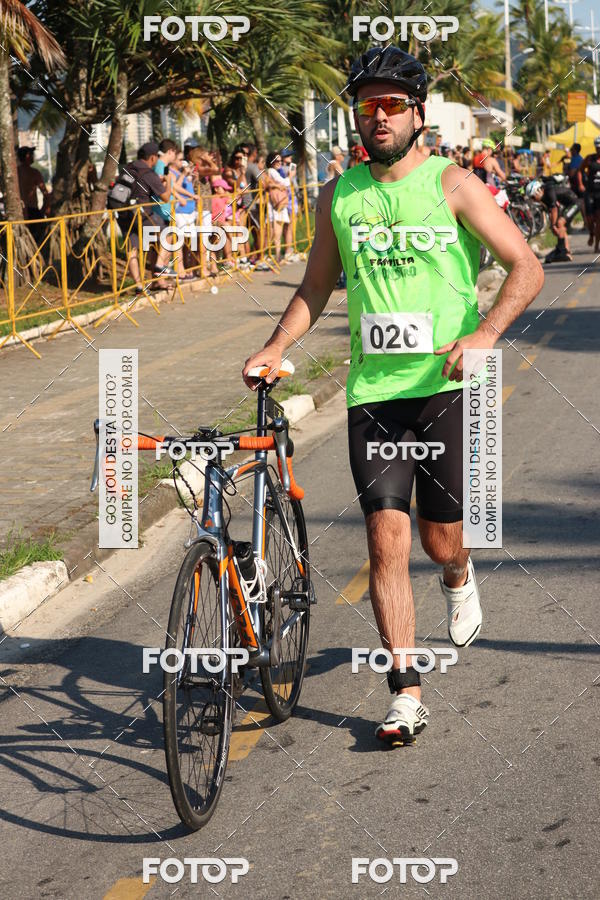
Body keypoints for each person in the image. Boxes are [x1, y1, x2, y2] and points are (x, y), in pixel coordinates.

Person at [242, 46, 544, 746]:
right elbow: (316, 286)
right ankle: (405, 691)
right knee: (386, 540)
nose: (378, 117)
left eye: (392, 105)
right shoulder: (338, 195)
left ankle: (458, 573)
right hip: (373, 394)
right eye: (367, 106)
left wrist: (485, 334)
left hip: (443, 388)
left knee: (440, 540)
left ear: (417, 114)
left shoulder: (455, 185)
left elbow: (525, 266)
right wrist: (275, 345)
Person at [118, 141, 175, 292]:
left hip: (124, 214)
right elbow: (165, 197)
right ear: (152, 158)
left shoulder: (128, 168)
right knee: (168, 233)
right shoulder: (149, 173)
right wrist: (168, 182)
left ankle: (139, 286)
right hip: (142, 214)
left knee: (132, 250)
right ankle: (159, 266)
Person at [525, 177, 577, 262]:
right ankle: (566, 252)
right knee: (559, 226)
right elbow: (551, 212)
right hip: (566, 205)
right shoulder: (543, 198)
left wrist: (553, 225)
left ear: (538, 191)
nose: (533, 200)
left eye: (533, 197)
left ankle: (562, 251)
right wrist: (553, 226)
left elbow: (554, 209)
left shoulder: (549, 191)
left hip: (574, 203)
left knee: (559, 223)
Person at [17, 146, 51, 240]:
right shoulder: (34, 173)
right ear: (27, 156)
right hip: (32, 212)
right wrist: (42, 212)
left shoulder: (15, 172)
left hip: (20, 212)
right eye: (32, 154)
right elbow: (46, 195)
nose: (33, 156)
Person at [263, 151, 291, 264]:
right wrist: (290, 176)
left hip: (278, 204)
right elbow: (285, 183)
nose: (279, 162)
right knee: (273, 233)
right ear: (271, 161)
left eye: (280, 160)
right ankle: (263, 255)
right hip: (275, 205)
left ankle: (277, 256)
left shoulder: (275, 172)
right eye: (277, 161)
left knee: (277, 232)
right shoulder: (271, 171)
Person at [577, 136, 600, 250]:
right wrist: (581, 184)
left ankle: (596, 245)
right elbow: (580, 170)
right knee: (589, 219)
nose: (599, 149)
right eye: (597, 147)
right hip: (590, 192)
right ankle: (591, 234)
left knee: (599, 219)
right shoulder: (589, 158)